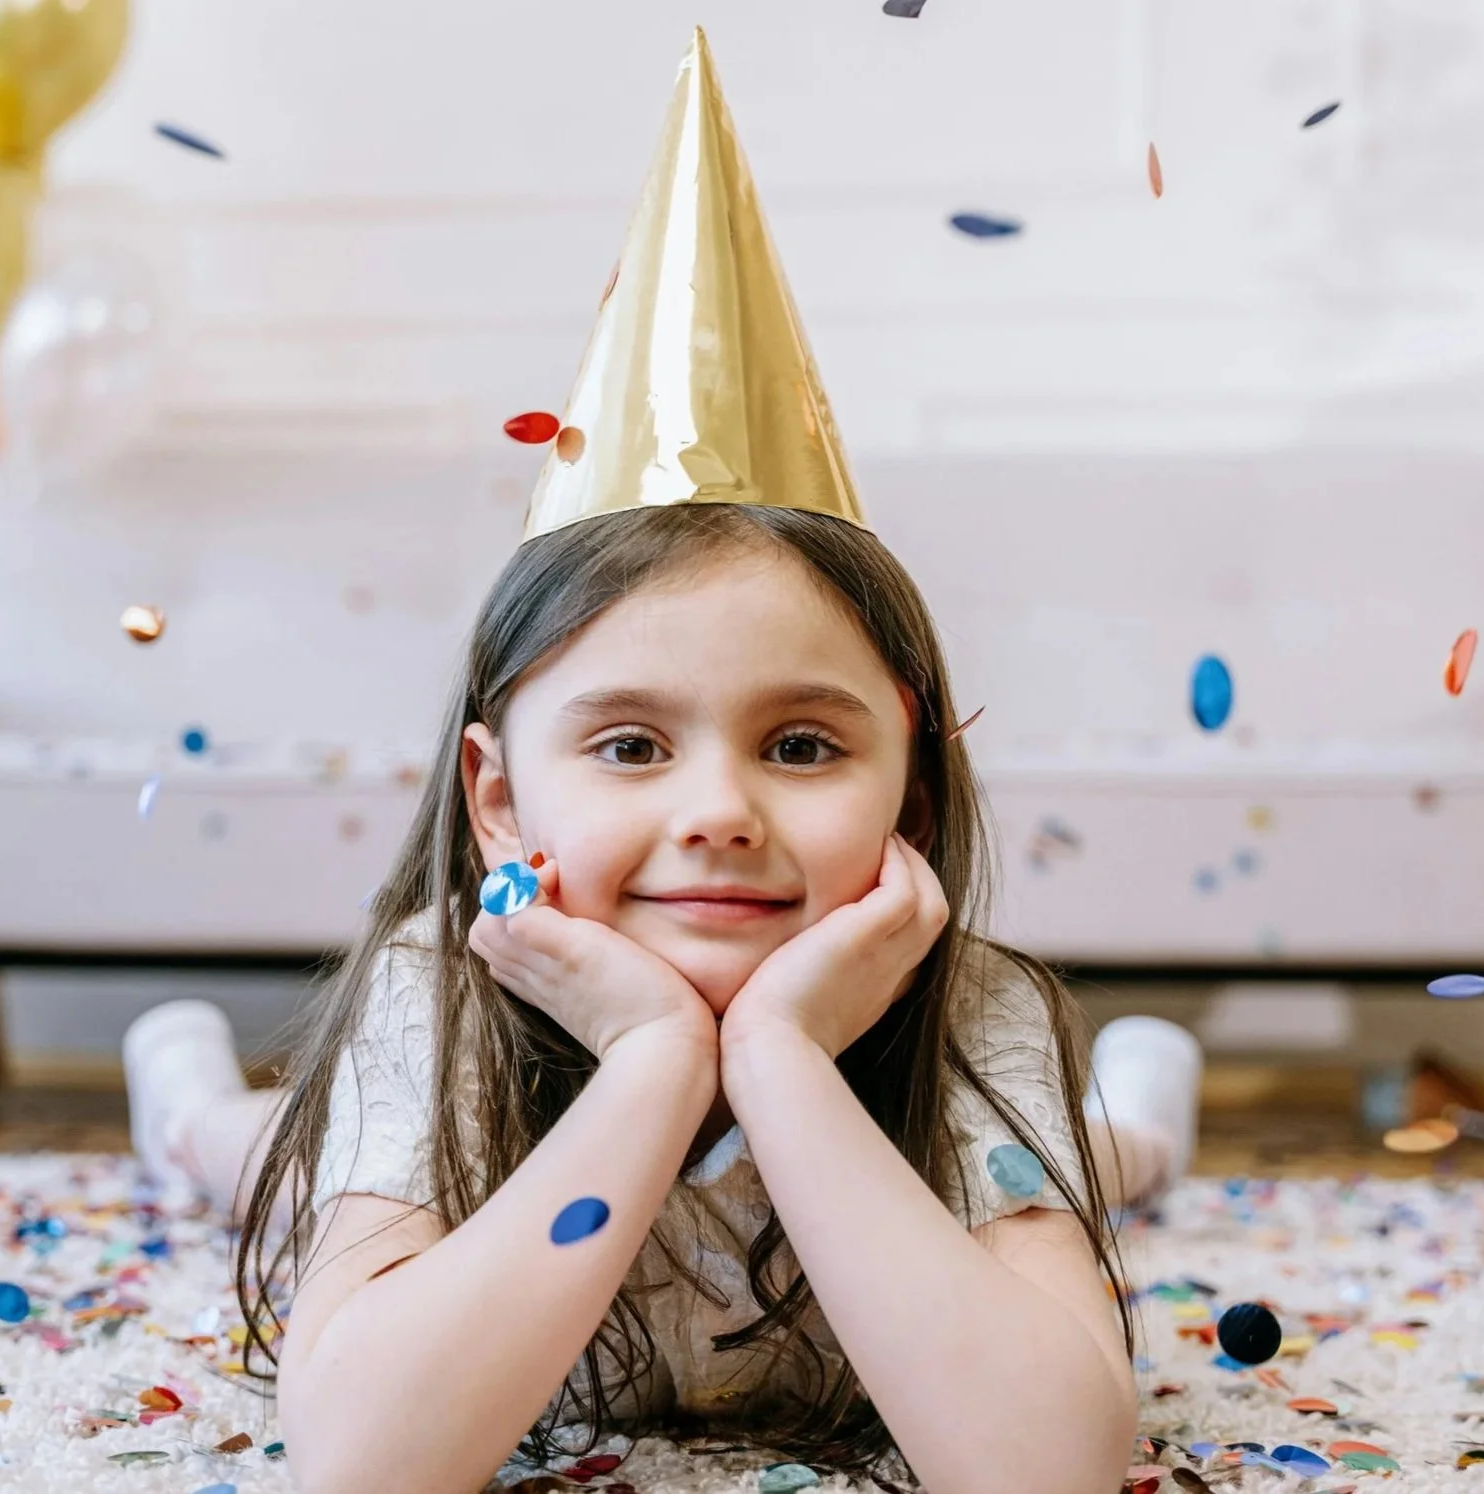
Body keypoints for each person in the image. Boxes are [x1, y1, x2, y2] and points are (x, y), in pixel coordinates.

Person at [120, 30, 1201, 1494]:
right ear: (499, 797)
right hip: (386, 1115)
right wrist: (647, 1057)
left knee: (1098, 1150)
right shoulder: (436, 995)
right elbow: (363, 1463)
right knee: (260, 1156)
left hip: (934, 1074)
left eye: (803, 744)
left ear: (913, 792)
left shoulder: (970, 1009)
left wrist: (778, 1056)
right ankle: (178, 1090)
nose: (718, 812)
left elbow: (1043, 1471)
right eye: (629, 743)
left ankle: (1144, 1098)